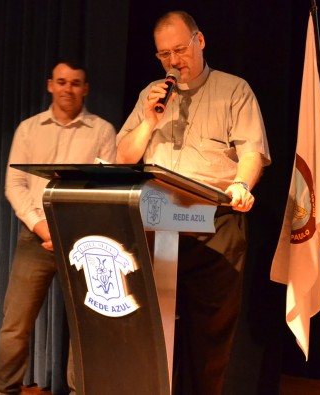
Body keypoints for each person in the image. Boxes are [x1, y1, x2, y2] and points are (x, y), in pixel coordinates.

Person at [116, 10, 271, 395]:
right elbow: (123, 156)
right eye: (164, 54)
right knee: (150, 328)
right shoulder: (150, 95)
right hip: (155, 223)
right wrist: (150, 121)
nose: (174, 61)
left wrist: (240, 184)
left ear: (200, 41)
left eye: (180, 49)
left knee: (208, 336)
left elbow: (251, 152)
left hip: (213, 224)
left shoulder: (234, 90)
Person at [0, 60, 117, 395]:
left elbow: (104, 190)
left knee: (84, 328)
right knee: (15, 325)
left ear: (86, 88)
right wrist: (44, 229)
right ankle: (4, 391)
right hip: (36, 238)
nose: (68, 89)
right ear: (50, 85)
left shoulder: (103, 131)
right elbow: (14, 185)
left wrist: (71, 232)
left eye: (76, 83)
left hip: (83, 241)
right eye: (62, 82)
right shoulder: (28, 129)